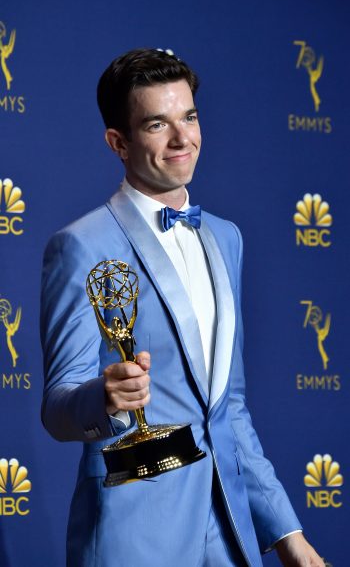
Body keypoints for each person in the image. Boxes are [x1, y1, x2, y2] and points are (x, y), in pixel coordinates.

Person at [41, 48, 324, 566]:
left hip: (231, 534)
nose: (182, 139)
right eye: (157, 124)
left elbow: (228, 409)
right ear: (118, 143)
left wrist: (289, 535)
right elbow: (57, 409)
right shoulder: (79, 246)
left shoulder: (226, 237)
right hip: (135, 537)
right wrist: (102, 397)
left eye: (189, 117)